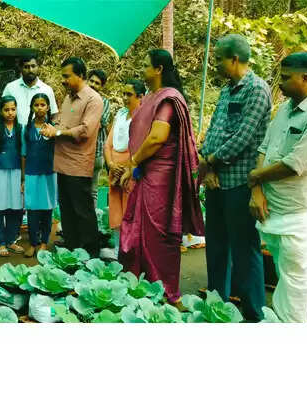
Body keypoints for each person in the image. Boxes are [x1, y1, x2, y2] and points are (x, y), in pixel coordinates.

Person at [248, 52, 307, 322]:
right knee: (284, 273)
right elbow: (264, 148)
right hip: (272, 206)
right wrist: (256, 190)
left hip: (299, 210)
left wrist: (254, 178)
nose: (280, 83)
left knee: (296, 277)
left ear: (305, 78)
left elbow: (294, 164)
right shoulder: (286, 109)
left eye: (286, 78)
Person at [117, 49, 205, 304]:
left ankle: (166, 292)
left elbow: (157, 137)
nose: (142, 69)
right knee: (137, 229)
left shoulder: (168, 98)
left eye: (146, 65)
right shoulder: (152, 97)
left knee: (159, 235)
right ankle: (143, 287)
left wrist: (133, 162)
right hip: (147, 172)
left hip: (162, 178)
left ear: (158, 69)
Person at [199, 34, 272, 322]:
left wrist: (210, 162)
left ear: (234, 59)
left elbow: (243, 137)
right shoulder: (227, 90)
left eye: (218, 59)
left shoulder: (256, 90)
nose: (215, 64)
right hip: (217, 181)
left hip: (240, 182)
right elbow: (215, 129)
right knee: (216, 246)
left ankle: (254, 314)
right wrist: (208, 164)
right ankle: (219, 307)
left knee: (244, 250)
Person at [40, 57, 103, 257]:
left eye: (67, 76)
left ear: (81, 75)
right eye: (63, 76)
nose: (63, 80)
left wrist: (57, 133)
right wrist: (52, 129)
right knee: (67, 211)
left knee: (82, 212)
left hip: (78, 165)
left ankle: (90, 255)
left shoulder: (93, 100)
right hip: (62, 163)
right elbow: (63, 124)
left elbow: (85, 130)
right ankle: (73, 251)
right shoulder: (68, 98)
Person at [104, 79, 146, 256]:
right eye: (124, 94)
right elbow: (108, 145)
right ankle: (117, 249)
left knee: (130, 209)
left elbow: (141, 146)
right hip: (114, 168)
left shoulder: (143, 117)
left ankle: (131, 250)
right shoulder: (120, 114)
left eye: (129, 94)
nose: (124, 98)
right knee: (115, 209)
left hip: (132, 169)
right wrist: (112, 165)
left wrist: (129, 167)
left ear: (140, 97)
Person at [22, 93, 57, 258]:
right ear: (32, 108)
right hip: (31, 173)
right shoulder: (26, 129)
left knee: (47, 209)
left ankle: (44, 243)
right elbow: (23, 154)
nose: (39, 108)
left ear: (48, 107)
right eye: (36, 105)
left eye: (43, 105)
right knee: (32, 209)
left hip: (49, 174)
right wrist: (23, 178)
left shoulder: (53, 128)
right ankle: (32, 243)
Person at [0, 96, 24, 257]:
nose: (10, 113)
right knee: (0, 207)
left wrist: (24, 178)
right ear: (1, 111)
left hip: (17, 171)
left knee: (15, 207)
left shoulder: (21, 129)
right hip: (1, 171)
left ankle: (11, 240)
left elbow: (24, 153)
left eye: (13, 109)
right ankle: (1, 242)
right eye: (6, 109)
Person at [1, 55, 59, 126]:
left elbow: (54, 114)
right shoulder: (10, 88)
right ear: (20, 68)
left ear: (38, 67)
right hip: (16, 134)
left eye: (33, 66)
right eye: (26, 67)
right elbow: (2, 111)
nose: (30, 70)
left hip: (39, 134)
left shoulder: (46, 89)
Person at [87, 69, 112, 207]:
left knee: (93, 191)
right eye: (91, 81)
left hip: (96, 152)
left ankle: (92, 224)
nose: (93, 85)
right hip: (78, 154)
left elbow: (102, 122)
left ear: (101, 86)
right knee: (79, 191)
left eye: (97, 83)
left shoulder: (105, 102)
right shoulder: (80, 98)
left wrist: (85, 122)